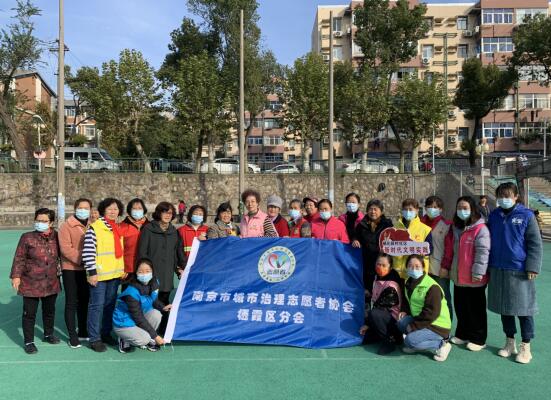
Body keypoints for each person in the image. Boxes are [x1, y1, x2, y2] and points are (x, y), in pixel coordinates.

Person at [487, 182, 542, 364]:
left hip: (519, 269)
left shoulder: (526, 215)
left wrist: (532, 266)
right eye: (500, 196)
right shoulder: (494, 215)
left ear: (516, 196)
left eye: (507, 195)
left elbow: (535, 243)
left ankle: (526, 345)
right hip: (498, 267)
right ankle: (509, 342)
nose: (503, 199)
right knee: (505, 308)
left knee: (524, 309)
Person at [441, 196, 490, 352]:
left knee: (476, 309)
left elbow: (483, 252)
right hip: (459, 276)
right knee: (461, 307)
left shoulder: (480, 229)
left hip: (475, 277)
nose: (462, 211)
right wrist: (447, 268)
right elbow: (450, 250)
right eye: (459, 208)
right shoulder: (455, 227)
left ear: (472, 209)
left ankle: (478, 339)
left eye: (465, 208)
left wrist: (478, 272)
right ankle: (462, 334)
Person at [10, 208, 62, 354]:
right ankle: (29, 342)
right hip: (30, 282)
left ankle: (48, 334)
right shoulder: (27, 237)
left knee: (49, 310)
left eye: (44, 221)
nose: (40, 223)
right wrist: (16, 276)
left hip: (51, 281)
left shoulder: (57, 237)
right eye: (38, 220)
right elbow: (19, 258)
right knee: (29, 313)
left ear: (51, 223)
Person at [82, 198, 125, 352]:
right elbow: (88, 252)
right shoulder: (95, 228)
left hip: (114, 275)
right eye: (109, 209)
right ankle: (94, 338)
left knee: (109, 305)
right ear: (103, 211)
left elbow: (118, 253)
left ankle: (105, 333)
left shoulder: (117, 228)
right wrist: (92, 273)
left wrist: (121, 270)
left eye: (116, 209)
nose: (113, 212)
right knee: (97, 306)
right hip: (99, 276)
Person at [138, 201, 186, 335]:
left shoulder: (174, 232)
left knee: (165, 305)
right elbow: (142, 253)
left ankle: (163, 333)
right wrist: (144, 273)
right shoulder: (148, 229)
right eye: (164, 212)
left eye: (170, 213)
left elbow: (177, 255)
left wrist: (179, 269)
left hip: (166, 277)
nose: (167, 215)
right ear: (159, 213)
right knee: (149, 305)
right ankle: (147, 333)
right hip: (150, 277)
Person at [398, 254, 452, 362]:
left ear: (423, 268)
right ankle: (417, 342)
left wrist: (413, 326)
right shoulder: (408, 282)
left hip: (437, 326)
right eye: (410, 266)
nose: (413, 269)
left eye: (417, 266)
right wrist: (404, 310)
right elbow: (408, 300)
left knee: (409, 340)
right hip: (422, 319)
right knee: (401, 323)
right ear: (406, 267)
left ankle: (442, 344)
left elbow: (431, 314)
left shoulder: (432, 287)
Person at [113, 259, 171, 353]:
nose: (144, 274)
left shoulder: (155, 282)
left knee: (156, 314)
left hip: (139, 318)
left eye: (147, 271)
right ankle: (124, 338)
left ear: (152, 271)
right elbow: (138, 317)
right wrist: (155, 336)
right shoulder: (131, 292)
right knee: (144, 339)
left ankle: (144, 336)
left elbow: (154, 300)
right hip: (124, 322)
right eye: (140, 272)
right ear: (136, 273)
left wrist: (163, 307)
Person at [58, 198, 93, 348]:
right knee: (71, 301)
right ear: (75, 208)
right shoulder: (66, 226)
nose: (83, 210)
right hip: (71, 269)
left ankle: (83, 330)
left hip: (87, 270)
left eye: (86, 208)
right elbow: (65, 249)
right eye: (80, 207)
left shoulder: (93, 224)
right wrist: (85, 259)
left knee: (85, 300)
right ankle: (72, 335)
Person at [360, 254, 402, 355]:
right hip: (381, 318)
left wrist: (367, 324)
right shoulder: (377, 278)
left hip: (392, 321)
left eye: (384, 265)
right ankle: (380, 335)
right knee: (363, 338)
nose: (380, 267)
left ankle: (389, 341)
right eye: (378, 264)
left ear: (390, 267)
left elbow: (380, 307)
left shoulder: (392, 285)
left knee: (374, 313)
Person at [420, 196, 453, 320]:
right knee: (424, 299)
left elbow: (449, 249)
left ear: (441, 209)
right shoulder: (419, 223)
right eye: (429, 206)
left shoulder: (447, 225)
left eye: (435, 207)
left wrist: (445, 267)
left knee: (443, 297)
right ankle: (427, 324)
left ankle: (447, 324)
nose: (432, 209)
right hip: (421, 269)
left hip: (439, 269)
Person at [353, 199, 393, 293]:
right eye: (370, 209)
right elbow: (355, 235)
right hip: (366, 261)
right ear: (367, 211)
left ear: (381, 211)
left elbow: (393, 240)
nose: (373, 212)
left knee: (381, 286)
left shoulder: (387, 225)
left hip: (381, 260)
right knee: (367, 287)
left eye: (376, 209)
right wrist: (355, 240)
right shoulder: (361, 224)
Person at [393, 199, 432, 279]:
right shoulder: (394, 228)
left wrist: (424, 252)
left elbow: (430, 248)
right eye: (405, 209)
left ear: (417, 210)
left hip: (417, 271)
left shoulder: (425, 229)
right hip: (398, 271)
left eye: (410, 209)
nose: (407, 212)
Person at [119, 198, 149, 281]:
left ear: (144, 210)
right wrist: (121, 268)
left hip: (146, 269)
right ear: (129, 210)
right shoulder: (121, 226)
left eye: (140, 208)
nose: (137, 210)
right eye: (134, 208)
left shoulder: (150, 226)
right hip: (128, 269)